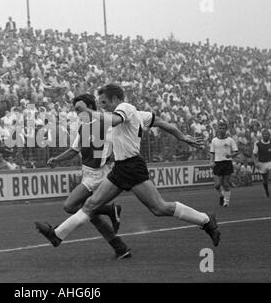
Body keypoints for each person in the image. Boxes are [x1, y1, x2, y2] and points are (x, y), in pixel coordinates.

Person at [35, 84, 220, 254]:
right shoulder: (136, 113)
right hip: (120, 168)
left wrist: (88, 112)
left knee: (160, 208)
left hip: (132, 166)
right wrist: (181, 136)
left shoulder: (125, 108)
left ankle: (205, 220)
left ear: (116, 99)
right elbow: (161, 122)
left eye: (105, 102)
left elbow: (114, 121)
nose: (103, 106)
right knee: (91, 204)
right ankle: (57, 235)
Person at [45, 94, 130, 259]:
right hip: (88, 174)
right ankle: (120, 248)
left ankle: (110, 210)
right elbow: (73, 150)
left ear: (90, 107)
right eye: (76, 110)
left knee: (70, 206)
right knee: (93, 216)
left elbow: (118, 143)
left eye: (80, 109)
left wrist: (113, 156)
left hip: (99, 175)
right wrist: (57, 160)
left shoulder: (107, 124)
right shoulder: (84, 126)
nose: (77, 113)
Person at [210, 121, 239, 207]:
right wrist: (211, 161)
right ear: (217, 129)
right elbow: (212, 152)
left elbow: (236, 152)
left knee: (226, 184)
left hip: (227, 163)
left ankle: (226, 202)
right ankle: (221, 195)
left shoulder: (230, 140)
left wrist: (231, 155)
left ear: (226, 129)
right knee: (217, 185)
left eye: (223, 128)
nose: (222, 130)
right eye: (220, 128)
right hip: (217, 163)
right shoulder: (214, 140)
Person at [253, 129, 271, 198]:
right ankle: (266, 191)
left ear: (269, 135)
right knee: (265, 180)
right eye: (264, 134)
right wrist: (255, 163)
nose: (266, 135)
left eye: (267, 134)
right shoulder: (258, 143)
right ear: (262, 135)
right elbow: (254, 154)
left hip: (270, 162)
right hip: (262, 163)